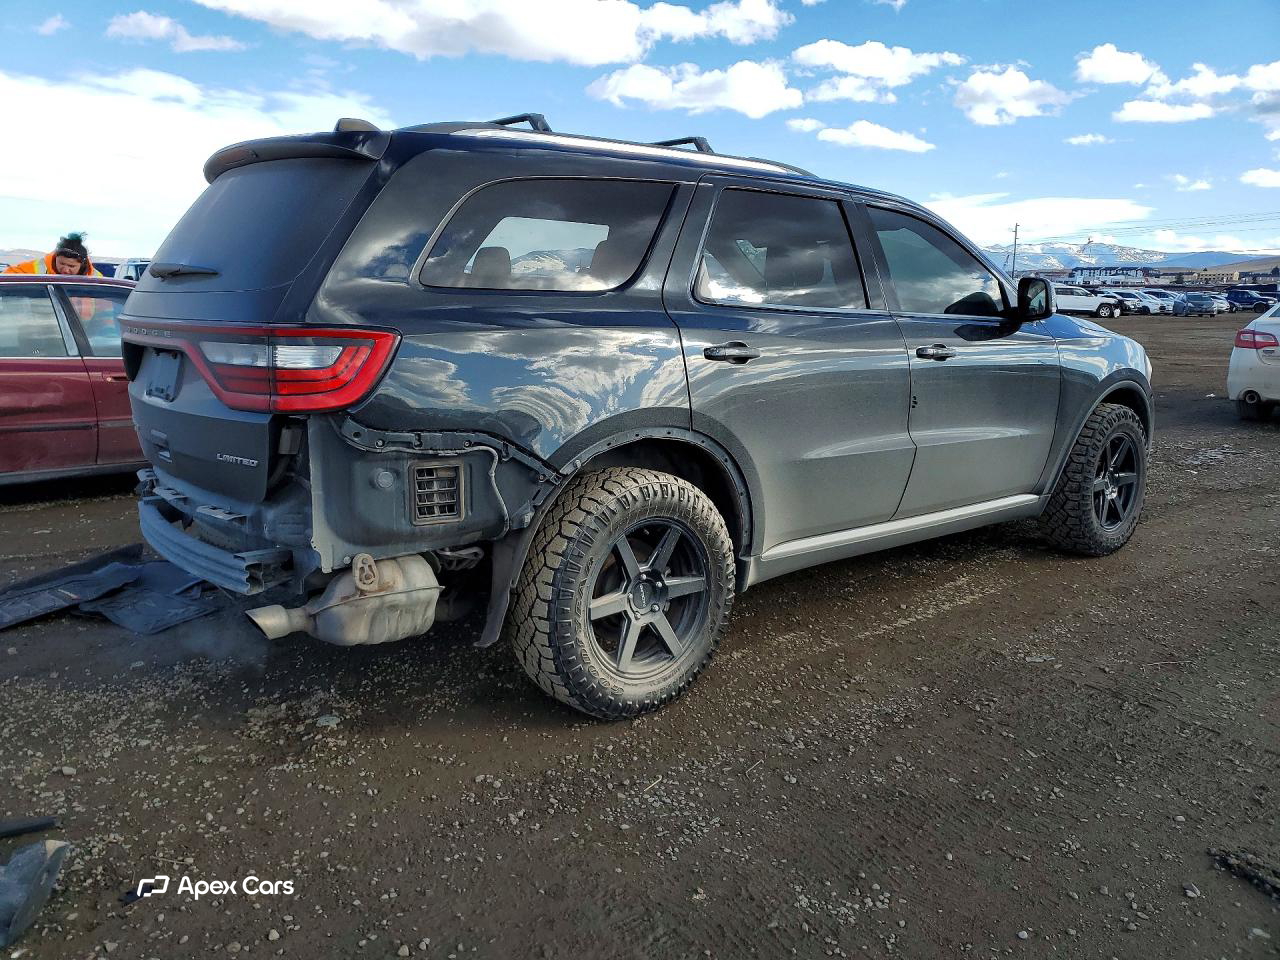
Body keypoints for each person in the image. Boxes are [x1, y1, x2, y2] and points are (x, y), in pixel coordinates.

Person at [3, 232, 103, 276]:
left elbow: (105, 307)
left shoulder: (96, 279)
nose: (65, 270)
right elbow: (6, 277)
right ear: (55, 258)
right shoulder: (39, 268)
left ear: (82, 264)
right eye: (61, 263)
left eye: (71, 266)